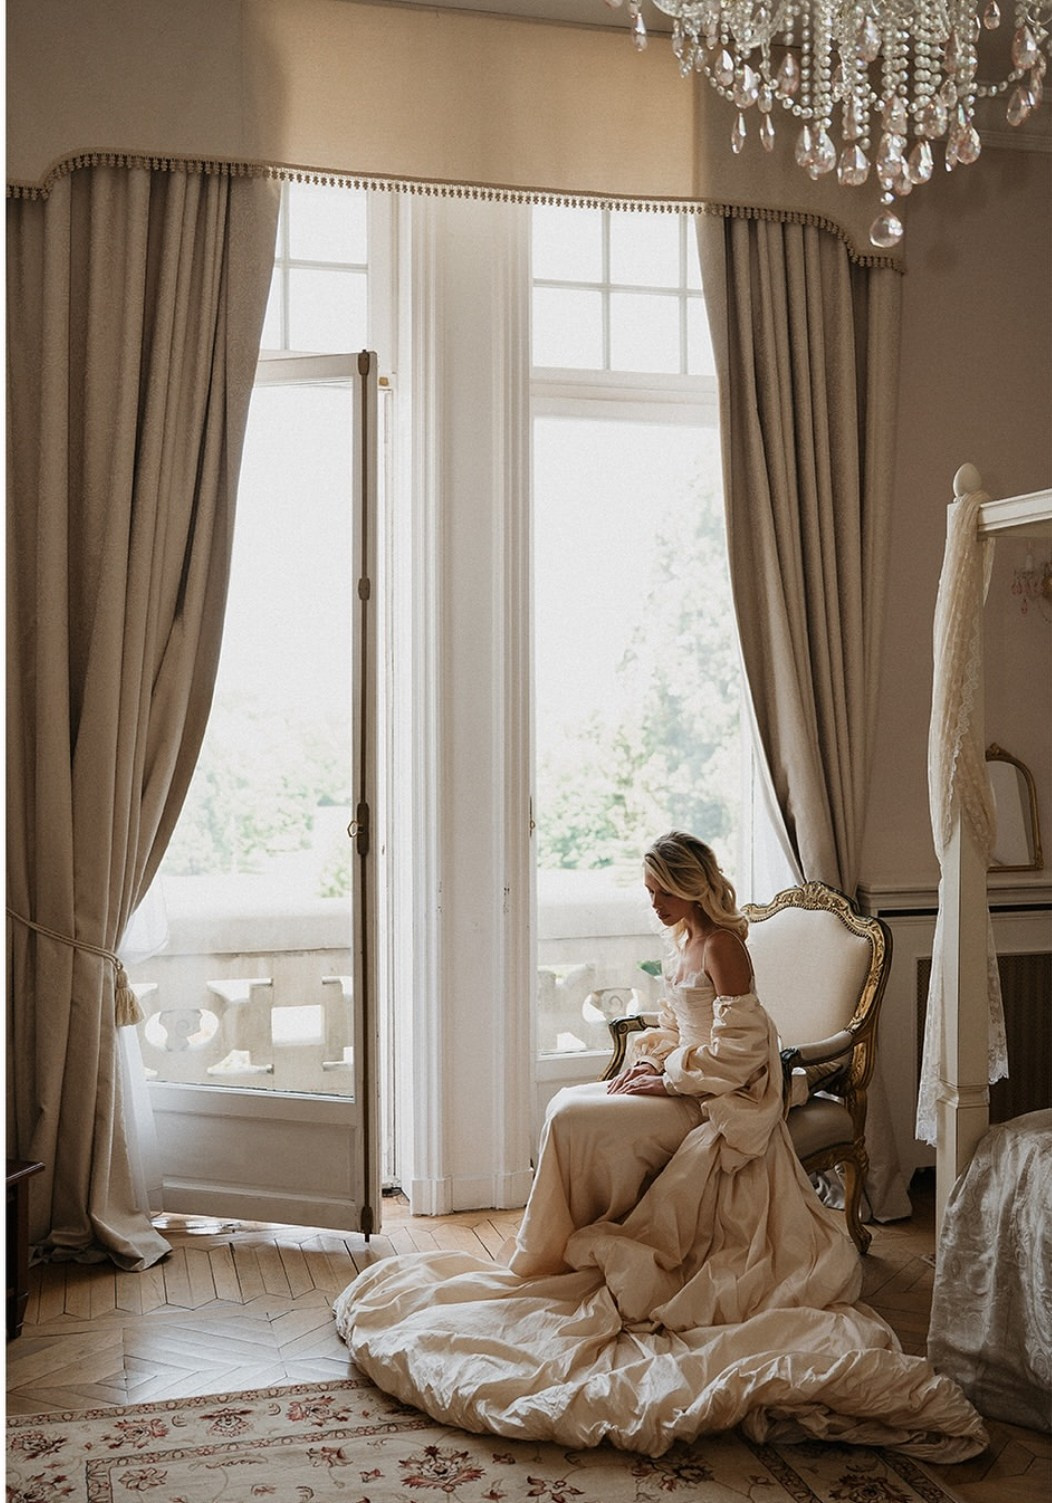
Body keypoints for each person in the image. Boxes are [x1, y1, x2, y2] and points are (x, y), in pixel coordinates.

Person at [334, 833, 986, 1461]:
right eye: (649, 890)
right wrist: (646, 1062)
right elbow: (677, 1024)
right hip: (682, 1078)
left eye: (659, 890)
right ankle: (554, 1249)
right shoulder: (682, 940)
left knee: (574, 1119)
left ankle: (565, 1243)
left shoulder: (726, 946)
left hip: (713, 1096)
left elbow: (738, 1051)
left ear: (687, 885)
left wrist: (670, 1072)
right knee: (569, 1108)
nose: (652, 903)